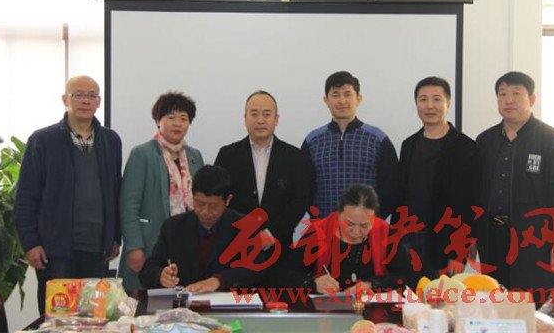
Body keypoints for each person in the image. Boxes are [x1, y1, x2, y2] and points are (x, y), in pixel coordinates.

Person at [14, 75, 122, 315]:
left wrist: (115, 236)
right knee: (58, 318)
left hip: (97, 249)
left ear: (99, 102)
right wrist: (31, 243)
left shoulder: (111, 140)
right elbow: (26, 197)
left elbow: (116, 191)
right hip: (55, 251)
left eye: (92, 96)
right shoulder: (43, 140)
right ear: (65, 99)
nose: (86, 101)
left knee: (94, 317)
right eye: (78, 95)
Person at [476, 71, 554, 302]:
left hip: (535, 241)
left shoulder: (553, 140)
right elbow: (476, 194)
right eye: (503, 94)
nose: (508, 100)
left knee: (534, 307)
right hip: (493, 240)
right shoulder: (485, 140)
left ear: (532, 99)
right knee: (496, 305)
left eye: (516, 94)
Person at [118, 92, 204, 304]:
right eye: (171, 117)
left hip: (184, 245)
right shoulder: (142, 154)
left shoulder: (194, 156)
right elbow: (129, 205)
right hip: (149, 245)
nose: (178, 123)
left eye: (183, 118)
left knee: (181, 305)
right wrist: (134, 246)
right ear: (158, 121)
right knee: (143, 307)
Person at [396, 77, 480, 277]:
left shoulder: (466, 147)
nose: (429, 106)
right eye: (423, 99)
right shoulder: (409, 145)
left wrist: (459, 253)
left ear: (448, 103)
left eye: (436, 99)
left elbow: (470, 205)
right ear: (416, 104)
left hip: (444, 243)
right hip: (407, 241)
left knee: (441, 295)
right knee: (407, 295)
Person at [214, 90, 311, 256]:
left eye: (266, 114)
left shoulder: (295, 157)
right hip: (236, 246)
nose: (260, 120)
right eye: (254, 114)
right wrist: (243, 233)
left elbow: (300, 200)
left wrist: (271, 233)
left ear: (276, 119)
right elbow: (219, 199)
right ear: (245, 119)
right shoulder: (227, 155)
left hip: (280, 247)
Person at [139, 165, 263, 292]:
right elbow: (147, 271)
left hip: (229, 301)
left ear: (228, 200)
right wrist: (160, 275)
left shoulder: (247, 227)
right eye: (199, 203)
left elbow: (255, 271)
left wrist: (219, 280)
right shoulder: (173, 227)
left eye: (213, 206)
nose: (205, 211)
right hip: (185, 301)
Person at [281, 184, 415, 295]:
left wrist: (372, 284)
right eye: (349, 224)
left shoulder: (384, 233)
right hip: (328, 312)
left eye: (364, 226)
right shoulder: (318, 232)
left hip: (373, 311)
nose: (356, 232)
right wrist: (312, 284)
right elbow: (284, 274)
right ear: (338, 214)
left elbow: (409, 276)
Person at [302, 71, 399, 219]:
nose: (342, 101)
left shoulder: (378, 139)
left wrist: (372, 221)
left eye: (347, 94)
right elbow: (303, 189)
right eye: (335, 95)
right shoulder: (312, 141)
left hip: (367, 228)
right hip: (323, 227)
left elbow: (391, 188)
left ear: (359, 99)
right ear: (326, 100)